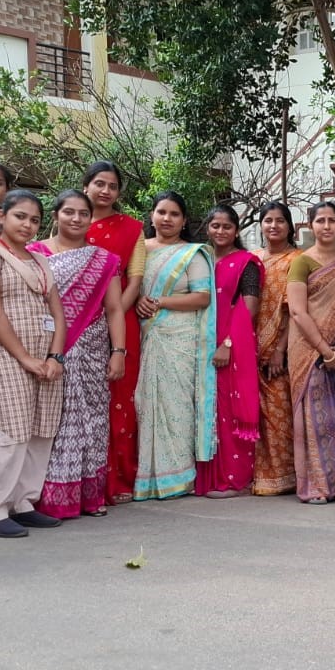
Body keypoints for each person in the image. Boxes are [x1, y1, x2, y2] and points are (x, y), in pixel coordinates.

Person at [0, 190, 66, 537]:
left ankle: (23, 503)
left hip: (45, 357)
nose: (27, 225)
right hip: (5, 354)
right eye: (20, 216)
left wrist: (55, 356)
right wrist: (25, 358)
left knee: (40, 429)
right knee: (7, 430)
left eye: (34, 220)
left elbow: (57, 312)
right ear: (2, 216)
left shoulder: (40, 260)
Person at [29, 190, 127, 519]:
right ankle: (46, 497)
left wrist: (118, 351)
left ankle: (89, 496)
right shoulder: (34, 254)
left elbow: (114, 309)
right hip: (47, 347)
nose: (76, 219)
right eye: (68, 212)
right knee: (50, 421)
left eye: (83, 214)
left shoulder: (104, 260)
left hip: (92, 349)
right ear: (55, 215)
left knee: (92, 422)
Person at [133, 191, 216, 500]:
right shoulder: (140, 249)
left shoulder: (192, 253)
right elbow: (129, 287)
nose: (166, 218)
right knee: (144, 403)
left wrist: (159, 302)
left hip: (179, 339)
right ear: (152, 216)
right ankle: (147, 477)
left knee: (177, 405)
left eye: (174, 214)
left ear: (184, 221)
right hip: (145, 335)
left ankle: (178, 477)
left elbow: (202, 297)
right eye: (161, 212)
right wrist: (140, 301)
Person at [83, 161, 146, 503]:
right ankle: (84, 478)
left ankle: (120, 477)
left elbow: (134, 280)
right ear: (86, 187)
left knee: (121, 397)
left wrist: (112, 318)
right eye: (99, 184)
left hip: (122, 319)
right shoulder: (73, 221)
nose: (106, 191)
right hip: (77, 322)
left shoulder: (131, 229)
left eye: (112, 186)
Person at [287, 201, 335, 504]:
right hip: (309, 349)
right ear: (310, 225)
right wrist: (325, 351)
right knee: (313, 418)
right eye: (320, 221)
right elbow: (297, 311)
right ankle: (316, 485)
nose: (326, 226)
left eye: (332, 220)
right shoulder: (302, 262)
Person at [195, 204, 262, 497]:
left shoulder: (246, 262)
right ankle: (205, 476)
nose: (220, 231)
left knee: (229, 408)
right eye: (215, 225)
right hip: (200, 343)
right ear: (207, 228)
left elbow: (250, 306)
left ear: (236, 231)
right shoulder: (200, 259)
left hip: (231, 344)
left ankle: (233, 478)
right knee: (206, 408)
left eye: (227, 226)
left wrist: (228, 344)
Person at [252, 200, 300, 496]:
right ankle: (258, 474)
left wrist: (280, 349)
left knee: (280, 410)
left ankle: (285, 475)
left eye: (280, 220)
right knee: (253, 412)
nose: (274, 226)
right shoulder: (252, 258)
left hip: (282, 344)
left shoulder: (297, 259)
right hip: (250, 344)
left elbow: (294, 310)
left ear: (290, 226)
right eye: (268, 220)